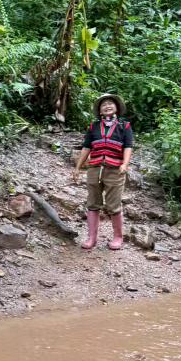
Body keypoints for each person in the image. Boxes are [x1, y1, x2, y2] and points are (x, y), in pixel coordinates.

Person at [73, 93, 134, 250]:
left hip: (115, 170)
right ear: (100, 111)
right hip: (95, 168)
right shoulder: (93, 126)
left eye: (110, 103)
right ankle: (92, 238)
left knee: (114, 205)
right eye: (104, 104)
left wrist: (125, 164)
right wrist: (78, 167)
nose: (107, 106)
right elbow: (87, 147)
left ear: (117, 108)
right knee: (93, 204)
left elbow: (128, 146)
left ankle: (118, 237)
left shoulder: (124, 126)